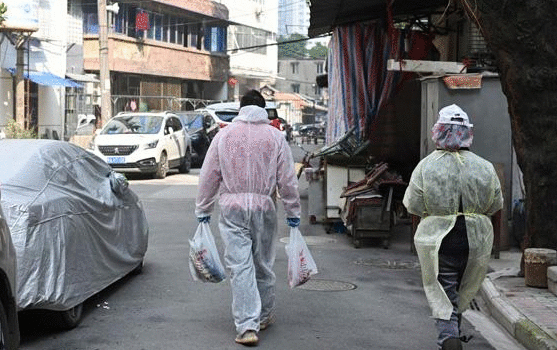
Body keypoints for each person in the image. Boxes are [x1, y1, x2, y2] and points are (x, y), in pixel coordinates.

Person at [195, 89, 301, 346]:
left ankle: (246, 327)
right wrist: (293, 212)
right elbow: (287, 179)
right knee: (262, 263)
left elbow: (209, 175)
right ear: (264, 109)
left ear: (240, 109)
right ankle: (263, 316)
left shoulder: (224, 135)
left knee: (240, 266)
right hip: (264, 208)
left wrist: (203, 209)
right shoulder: (276, 137)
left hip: (232, 208)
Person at [402, 104, 503, 350]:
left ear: (438, 131)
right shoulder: (485, 167)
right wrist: (493, 246)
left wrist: (419, 241)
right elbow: (495, 206)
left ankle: (449, 339)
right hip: (476, 242)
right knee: (461, 292)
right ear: (467, 132)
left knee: (444, 294)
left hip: (439, 242)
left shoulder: (426, 166)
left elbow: (413, 206)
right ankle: (453, 333)